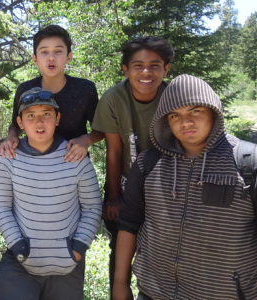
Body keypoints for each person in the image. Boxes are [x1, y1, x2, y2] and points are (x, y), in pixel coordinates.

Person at [113, 74, 257, 300]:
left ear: (213, 111)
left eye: (195, 111)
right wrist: (120, 284)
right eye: (175, 115)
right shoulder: (148, 164)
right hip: (154, 293)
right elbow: (129, 225)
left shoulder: (255, 165)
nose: (186, 122)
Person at [0, 88, 102, 299]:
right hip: (21, 265)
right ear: (20, 122)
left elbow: (92, 207)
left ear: (57, 118)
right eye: (31, 116)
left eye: (46, 114)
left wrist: (77, 249)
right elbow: (1, 205)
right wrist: (19, 247)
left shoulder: (76, 156)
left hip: (68, 268)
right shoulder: (8, 158)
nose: (39, 122)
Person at [91, 37, 173, 292]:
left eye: (154, 65)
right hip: (126, 184)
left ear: (166, 69)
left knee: (164, 252)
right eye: (138, 65)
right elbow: (114, 151)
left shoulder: (174, 96)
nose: (146, 72)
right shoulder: (114, 98)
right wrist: (114, 198)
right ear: (125, 69)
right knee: (121, 253)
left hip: (167, 187)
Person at [0, 24, 102, 162]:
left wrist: (85, 140)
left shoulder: (85, 89)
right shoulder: (25, 89)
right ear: (35, 59)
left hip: (74, 164)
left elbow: (101, 130)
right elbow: (16, 125)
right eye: (44, 52)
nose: (51, 57)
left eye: (58, 51)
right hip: (33, 163)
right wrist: (11, 137)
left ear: (69, 56)